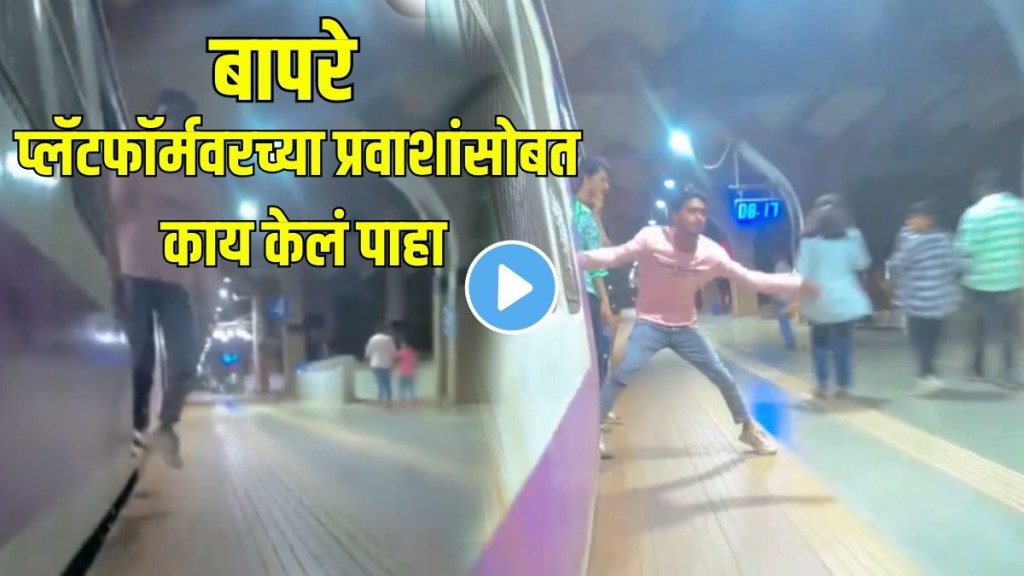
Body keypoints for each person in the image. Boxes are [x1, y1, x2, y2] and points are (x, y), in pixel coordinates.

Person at [578, 184, 819, 458]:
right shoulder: (651, 238)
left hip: (685, 328)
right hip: (649, 325)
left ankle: (749, 428)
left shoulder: (710, 252)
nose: (699, 217)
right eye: (692, 211)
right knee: (625, 371)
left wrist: (797, 283)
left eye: (702, 212)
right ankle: (594, 431)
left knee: (722, 376)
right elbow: (614, 256)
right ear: (676, 216)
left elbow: (750, 279)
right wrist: (576, 260)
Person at [111, 89, 220, 468]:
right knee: (140, 357)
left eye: (181, 120)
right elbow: (115, 211)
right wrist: (113, 266)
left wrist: (206, 287)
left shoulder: (200, 175)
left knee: (186, 359)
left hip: (177, 279)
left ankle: (167, 426)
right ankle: (138, 426)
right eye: (166, 117)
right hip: (136, 271)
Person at [793, 196, 871, 399]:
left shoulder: (809, 241)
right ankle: (843, 386)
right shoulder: (852, 236)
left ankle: (822, 384)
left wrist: (796, 297)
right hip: (844, 298)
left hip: (818, 298)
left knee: (819, 341)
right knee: (843, 342)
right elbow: (862, 263)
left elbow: (802, 272)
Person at [956, 170, 1024, 388]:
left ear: (982, 189)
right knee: (1009, 327)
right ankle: (1008, 371)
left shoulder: (975, 213)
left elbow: (966, 248)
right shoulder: (1020, 209)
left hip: (981, 280)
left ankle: (977, 367)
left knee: (978, 324)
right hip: (1013, 278)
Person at [889, 200, 964, 396]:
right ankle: (930, 375)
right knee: (932, 341)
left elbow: (898, 264)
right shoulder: (946, 240)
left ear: (928, 220)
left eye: (914, 218)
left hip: (918, 303)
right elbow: (958, 265)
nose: (910, 221)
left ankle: (927, 377)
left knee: (920, 342)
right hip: (940, 303)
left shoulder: (913, 242)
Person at [571, 157, 621, 428]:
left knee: (597, 355)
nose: (606, 186)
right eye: (602, 179)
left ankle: (596, 414)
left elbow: (605, 250)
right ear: (587, 177)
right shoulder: (576, 212)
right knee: (598, 354)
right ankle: (593, 418)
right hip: (586, 293)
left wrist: (598, 216)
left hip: (581, 292)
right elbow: (596, 262)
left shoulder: (581, 211)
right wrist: (604, 301)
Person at [365, 323, 398, 406]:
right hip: (387, 364)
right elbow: (393, 353)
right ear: (385, 330)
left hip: (375, 364)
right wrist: (394, 363)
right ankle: (389, 402)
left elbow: (368, 353)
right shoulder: (389, 339)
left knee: (380, 385)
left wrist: (368, 363)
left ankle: (380, 402)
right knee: (387, 384)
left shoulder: (372, 339)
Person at [773, 251, 797, 350]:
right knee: (785, 320)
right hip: (788, 296)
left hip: (782, 297)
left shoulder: (779, 267)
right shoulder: (787, 267)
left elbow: (778, 283)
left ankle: (789, 342)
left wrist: (776, 295)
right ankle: (790, 341)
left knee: (783, 320)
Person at [395, 337, 418, 404]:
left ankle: (402, 399)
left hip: (403, 372)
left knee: (402, 387)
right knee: (411, 387)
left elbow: (395, 358)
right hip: (411, 372)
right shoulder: (412, 352)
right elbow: (415, 362)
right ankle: (412, 399)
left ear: (403, 345)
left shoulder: (401, 352)